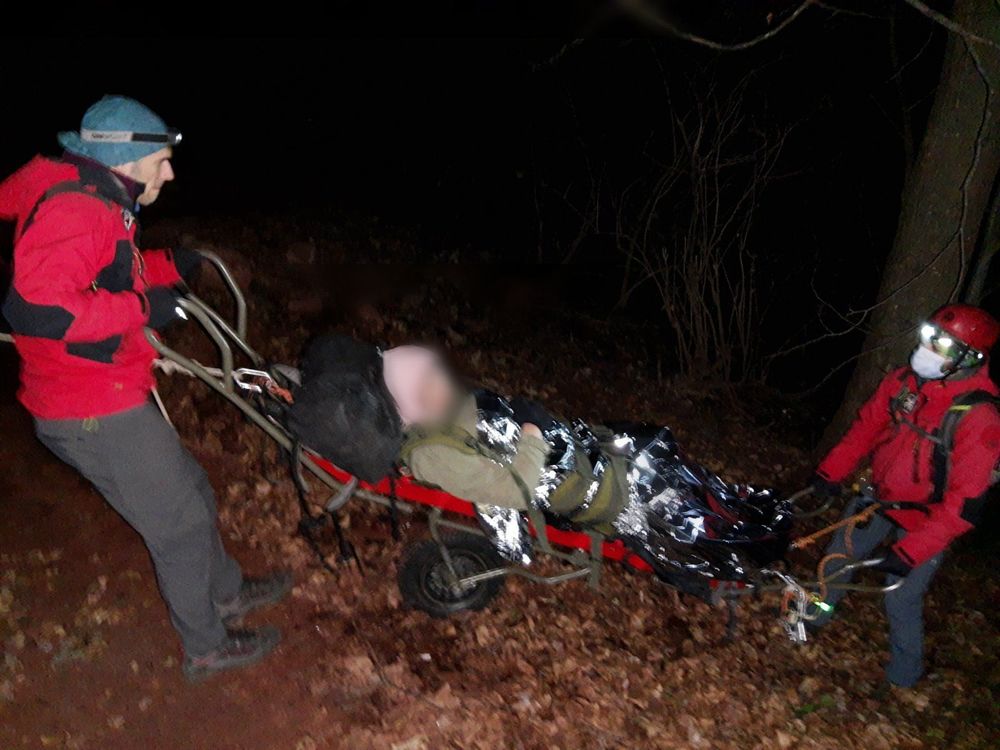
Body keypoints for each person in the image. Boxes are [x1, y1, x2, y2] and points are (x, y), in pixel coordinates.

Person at [0, 96, 291, 681]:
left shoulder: (104, 198)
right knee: (178, 523)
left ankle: (227, 592)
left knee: (192, 490)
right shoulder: (77, 209)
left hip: (105, 388)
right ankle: (206, 648)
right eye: (161, 160)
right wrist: (142, 308)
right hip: (86, 403)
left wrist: (171, 266)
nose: (171, 172)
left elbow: (111, 271)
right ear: (125, 159)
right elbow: (34, 309)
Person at [380, 345, 793, 592]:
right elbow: (510, 493)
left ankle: (750, 517)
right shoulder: (432, 454)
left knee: (667, 456)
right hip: (598, 491)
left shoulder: (443, 412)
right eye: (428, 377)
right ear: (411, 400)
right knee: (690, 518)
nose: (441, 378)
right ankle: (753, 550)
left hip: (588, 453)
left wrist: (533, 423)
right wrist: (531, 428)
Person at [810, 304, 1000, 689]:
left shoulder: (979, 419)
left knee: (900, 599)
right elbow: (866, 428)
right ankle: (814, 616)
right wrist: (831, 472)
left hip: (927, 521)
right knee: (836, 559)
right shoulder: (903, 382)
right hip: (878, 497)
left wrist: (911, 551)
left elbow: (964, 508)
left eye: (943, 345)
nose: (928, 350)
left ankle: (903, 679)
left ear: (969, 358)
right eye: (929, 337)